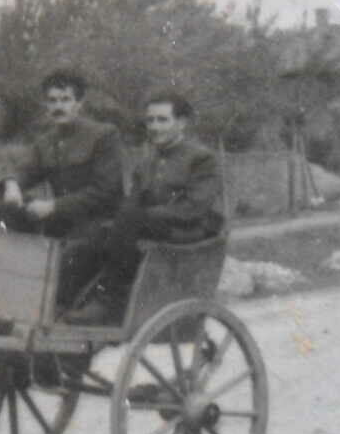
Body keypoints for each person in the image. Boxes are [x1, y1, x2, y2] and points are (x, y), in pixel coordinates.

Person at [63, 91, 225, 325]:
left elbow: (194, 208)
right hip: (148, 227)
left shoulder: (201, 158)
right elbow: (132, 201)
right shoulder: (147, 161)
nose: (154, 127)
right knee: (95, 232)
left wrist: (141, 217)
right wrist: (116, 222)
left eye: (162, 120)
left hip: (188, 233)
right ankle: (68, 301)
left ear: (181, 123)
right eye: (150, 120)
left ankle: (109, 301)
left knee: (128, 221)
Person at [0, 69, 125, 306]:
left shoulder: (104, 135)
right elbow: (24, 169)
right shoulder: (46, 141)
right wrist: (12, 185)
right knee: (6, 212)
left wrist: (54, 206)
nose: (59, 107)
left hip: (99, 226)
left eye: (65, 100)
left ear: (79, 103)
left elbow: (106, 191)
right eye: (53, 101)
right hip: (61, 225)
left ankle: (51, 310)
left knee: (67, 258)